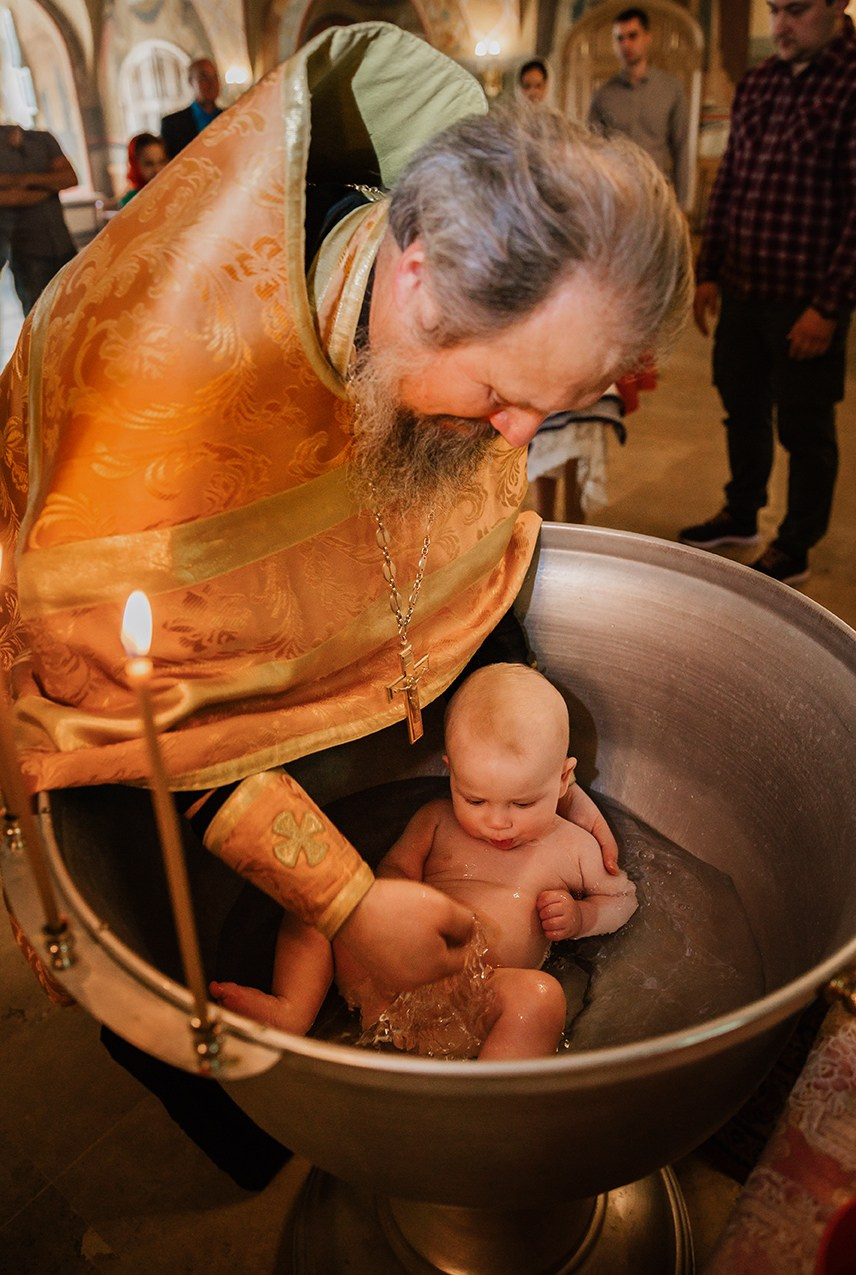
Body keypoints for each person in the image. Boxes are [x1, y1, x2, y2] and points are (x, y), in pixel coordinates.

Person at [0, 23, 689, 1178]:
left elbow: (464, 528)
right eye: (506, 395)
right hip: (160, 713)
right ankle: (297, 1148)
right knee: (194, 990)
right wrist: (347, 900)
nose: (520, 438)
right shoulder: (154, 387)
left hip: (373, 671)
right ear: (414, 276)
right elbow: (124, 701)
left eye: (555, 405)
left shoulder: (455, 330)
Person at [211, 664, 638, 1061]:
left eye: (523, 803)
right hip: (380, 973)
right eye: (474, 798)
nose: (498, 822)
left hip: (477, 1000)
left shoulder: (572, 846)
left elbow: (623, 899)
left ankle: (489, 1098)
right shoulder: (436, 820)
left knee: (541, 997)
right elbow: (394, 870)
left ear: (564, 780)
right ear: (450, 771)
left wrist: (582, 917)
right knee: (320, 890)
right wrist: (389, 903)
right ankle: (292, 1011)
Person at [679, 0, 855, 586]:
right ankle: (742, 511)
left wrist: (828, 308)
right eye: (775, 9)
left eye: (796, 9)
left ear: (837, 6)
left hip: (805, 297)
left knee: (804, 427)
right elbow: (731, 177)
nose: (780, 24)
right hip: (744, 287)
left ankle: (797, 543)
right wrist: (709, 270)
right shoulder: (762, 81)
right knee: (742, 405)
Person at [588, 6, 691, 210]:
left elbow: (682, 148)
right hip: (616, 196)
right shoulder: (603, 95)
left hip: (657, 195)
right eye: (619, 38)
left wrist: (682, 203)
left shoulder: (671, 89)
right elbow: (591, 150)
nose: (626, 44)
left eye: (632, 36)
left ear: (647, 38)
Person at [0, 122, 77, 314]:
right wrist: (49, 186)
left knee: (77, 313)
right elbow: (9, 198)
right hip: (28, 256)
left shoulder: (42, 139)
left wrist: (24, 180)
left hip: (64, 246)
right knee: (40, 321)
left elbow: (70, 178)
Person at [160, 57, 222, 159]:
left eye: (215, 77)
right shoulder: (172, 124)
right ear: (190, 81)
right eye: (204, 77)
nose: (212, 83)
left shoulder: (231, 118)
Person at [118, 132, 168, 208]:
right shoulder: (130, 203)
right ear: (135, 165)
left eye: (161, 162)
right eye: (149, 164)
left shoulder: (175, 191)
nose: (157, 170)